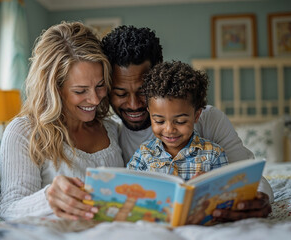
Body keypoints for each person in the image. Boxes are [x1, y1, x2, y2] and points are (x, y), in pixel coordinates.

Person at [102, 25, 272, 222]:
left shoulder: (209, 119)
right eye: (120, 93)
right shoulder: (109, 134)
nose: (133, 104)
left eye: (142, 91)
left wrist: (257, 200)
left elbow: (251, 179)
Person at [0, 22, 124, 220]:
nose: (95, 99)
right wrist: (48, 197)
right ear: (54, 89)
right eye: (80, 91)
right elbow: (9, 209)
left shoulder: (112, 128)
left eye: (100, 85)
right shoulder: (24, 132)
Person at [128, 61, 229, 181]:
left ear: (196, 116)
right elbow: (127, 189)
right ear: (150, 115)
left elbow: (227, 193)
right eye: (159, 121)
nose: (169, 129)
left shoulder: (213, 155)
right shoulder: (144, 154)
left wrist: (210, 186)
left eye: (180, 121)